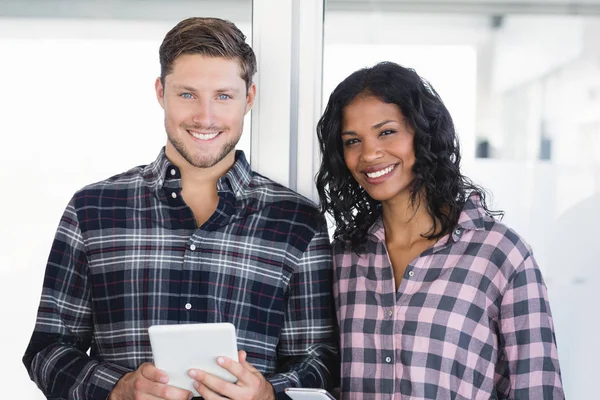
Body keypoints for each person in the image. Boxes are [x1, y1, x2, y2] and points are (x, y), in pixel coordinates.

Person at [23, 17, 338, 400]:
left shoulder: (297, 222)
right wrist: (119, 389)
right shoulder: (92, 211)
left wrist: (268, 394)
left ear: (249, 97)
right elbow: (47, 350)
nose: (205, 117)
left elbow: (321, 359)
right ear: (161, 92)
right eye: (187, 94)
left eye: (224, 96)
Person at [315, 62, 564, 399]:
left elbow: (537, 390)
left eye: (386, 132)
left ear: (423, 133)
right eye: (352, 141)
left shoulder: (501, 254)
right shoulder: (343, 256)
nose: (369, 153)